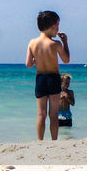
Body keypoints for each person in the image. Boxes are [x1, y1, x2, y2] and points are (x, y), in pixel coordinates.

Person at [25, 10, 71, 140]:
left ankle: (40, 141)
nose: (58, 29)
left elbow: (28, 64)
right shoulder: (55, 44)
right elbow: (66, 60)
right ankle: (54, 141)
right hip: (53, 78)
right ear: (53, 26)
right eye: (58, 25)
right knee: (53, 114)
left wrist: (36, 60)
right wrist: (65, 42)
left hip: (40, 79)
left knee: (41, 113)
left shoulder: (32, 43)